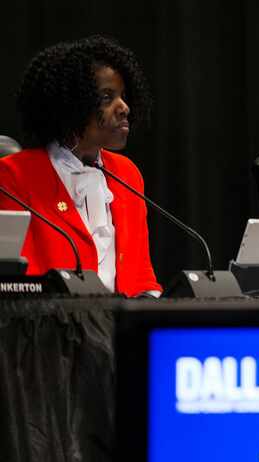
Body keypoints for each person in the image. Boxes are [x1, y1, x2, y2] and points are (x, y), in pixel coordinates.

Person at [0, 35, 161, 296]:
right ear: (71, 104)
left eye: (123, 96)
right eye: (107, 97)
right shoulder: (14, 176)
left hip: (123, 329)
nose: (124, 108)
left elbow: (142, 277)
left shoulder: (127, 174)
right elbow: (18, 284)